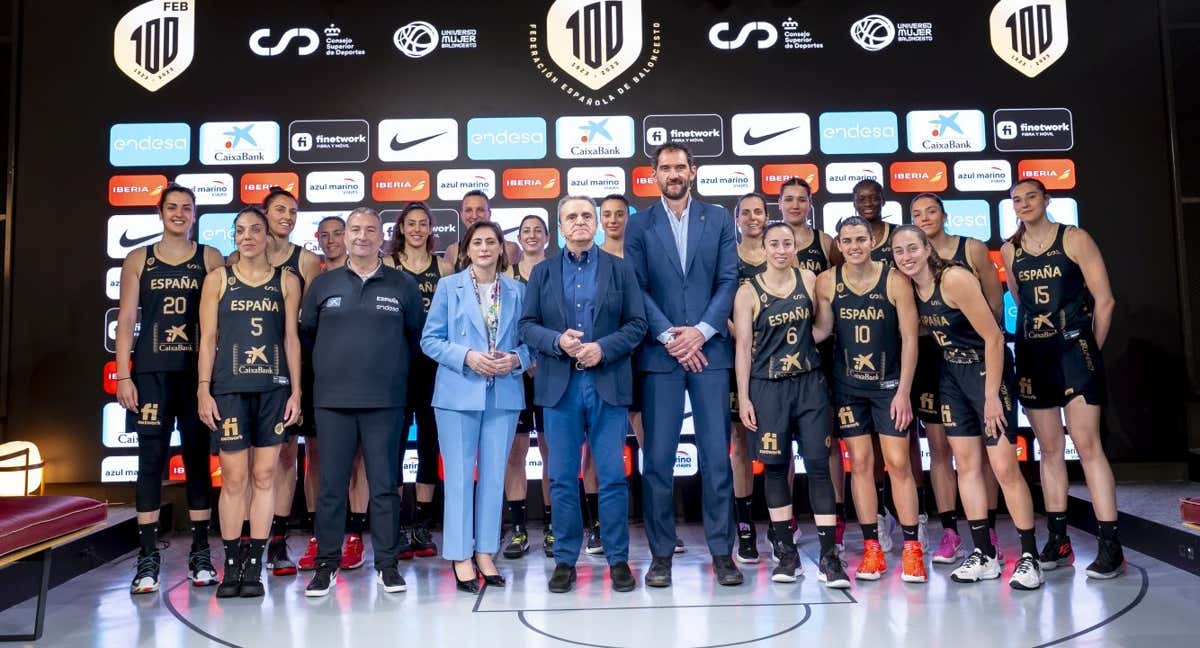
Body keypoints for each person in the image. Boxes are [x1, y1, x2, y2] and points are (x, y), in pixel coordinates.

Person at [892, 225, 1044, 590]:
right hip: (952, 375)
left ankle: (1029, 557)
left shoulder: (955, 279)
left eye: (913, 248)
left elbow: (993, 336)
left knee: (1005, 467)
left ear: (928, 248)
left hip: (985, 370)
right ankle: (984, 554)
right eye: (899, 251)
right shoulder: (911, 287)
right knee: (966, 466)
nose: (907, 256)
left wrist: (992, 395)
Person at [624, 142, 742, 587]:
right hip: (661, 354)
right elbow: (636, 286)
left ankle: (721, 553)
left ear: (692, 171)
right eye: (664, 168)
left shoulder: (718, 219)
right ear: (654, 174)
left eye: (680, 167)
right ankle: (660, 555)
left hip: (709, 352)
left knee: (716, 456)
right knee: (657, 459)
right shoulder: (639, 225)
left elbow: (728, 278)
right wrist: (673, 336)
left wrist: (703, 331)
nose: (673, 174)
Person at [518, 195, 647, 593]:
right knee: (561, 478)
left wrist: (602, 348)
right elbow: (526, 325)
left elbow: (637, 323)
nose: (580, 222)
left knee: (611, 477)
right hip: (560, 386)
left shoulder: (620, 269)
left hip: (606, 382)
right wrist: (558, 341)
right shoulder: (542, 272)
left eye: (586, 216)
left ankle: (617, 558)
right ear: (560, 225)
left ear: (596, 224)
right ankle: (565, 560)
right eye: (571, 217)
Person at [1000, 179, 1123, 579]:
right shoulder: (1009, 249)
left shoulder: (1074, 238)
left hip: (1074, 351)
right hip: (1035, 355)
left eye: (1031, 197)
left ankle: (1110, 545)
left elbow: (1104, 300)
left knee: (1088, 446)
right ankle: (1059, 540)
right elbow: (1020, 301)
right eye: (1017, 200)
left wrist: (1090, 350)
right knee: (1049, 451)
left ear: (1046, 200)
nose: (1024, 204)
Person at [301, 208, 425, 597]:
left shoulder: (403, 285)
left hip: (386, 403)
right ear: (344, 237)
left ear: (382, 237)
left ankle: (387, 566)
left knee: (386, 487)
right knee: (331, 488)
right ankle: (327, 565)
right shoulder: (323, 285)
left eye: (370, 230)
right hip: (332, 402)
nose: (361, 236)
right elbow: (307, 337)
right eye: (355, 230)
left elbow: (416, 339)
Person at [116, 184, 225, 594]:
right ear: (160, 212)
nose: (179, 213)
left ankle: (200, 552)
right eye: (172, 207)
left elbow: (218, 322)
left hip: (196, 374)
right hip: (150, 374)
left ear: (194, 214)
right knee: (150, 460)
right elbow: (126, 320)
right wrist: (124, 375)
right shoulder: (138, 258)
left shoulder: (209, 257)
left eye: (186, 208)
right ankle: (148, 558)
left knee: (198, 459)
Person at [733, 222, 849, 588]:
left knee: (818, 467)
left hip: (809, 385)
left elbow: (821, 329)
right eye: (774, 244)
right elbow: (742, 348)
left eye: (787, 243)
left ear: (795, 246)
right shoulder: (747, 291)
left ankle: (829, 557)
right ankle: (786, 553)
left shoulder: (810, 280)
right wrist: (745, 397)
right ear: (763, 248)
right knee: (774, 468)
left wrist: (801, 344)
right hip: (768, 388)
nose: (781, 249)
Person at [196, 206, 302, 598]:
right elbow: (207, 339)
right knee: (234, 479)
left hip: (273, 389)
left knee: (264, 477)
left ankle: (254, 563)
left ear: (267, 235)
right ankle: (231, 564)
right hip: (229, 389)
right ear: (234, 236)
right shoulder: (217, 279)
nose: (248, 237)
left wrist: (297, 390)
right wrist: (203, 388)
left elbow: (291, 338)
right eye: (240, 231)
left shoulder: (286, 281)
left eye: (255, 230)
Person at [814, 216, 926, 583]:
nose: (854, 246)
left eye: (861, 239)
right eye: (847, 240)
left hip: (889, 387)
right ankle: (872, 549)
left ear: (872, 241)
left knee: (898, 463)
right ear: (840, 245)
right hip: (848, 388)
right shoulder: (827, 281)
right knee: (860, 465)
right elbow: (823, 331)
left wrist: (904, 392)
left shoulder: (894, 279)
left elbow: (910, 339)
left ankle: (912, 549)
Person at [421, 221, 531, 593]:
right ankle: (460, 555)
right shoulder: (448, 287)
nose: (484, 247)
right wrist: (467, 355)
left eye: (492, 242)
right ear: (466, 250)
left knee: (495, 476)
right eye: (477, 242)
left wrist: (515, 359)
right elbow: (430, 340)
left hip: (503, 392)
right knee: (459, 477)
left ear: (502, 249)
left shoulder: (517, 290)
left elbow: (531, 341)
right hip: (457, 394)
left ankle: (485, 551)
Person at [229, 187, 322, 576]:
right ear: (262, 216)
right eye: (280, 209)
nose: (287, 216)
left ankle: (277, 542)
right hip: (246, 374)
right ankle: (248, 542)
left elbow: (310, 322)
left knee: (286, 455)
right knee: (246, 462)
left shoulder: (308, 262)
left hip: (296, 370)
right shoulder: (236, 261)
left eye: (293, 211)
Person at [910, 194, 1005, 564]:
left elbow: (995, 306)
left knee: (986, 450)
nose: (925, 217)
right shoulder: (910, 259)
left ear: (944, 214)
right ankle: (950, 532)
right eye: (917, 214)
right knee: (940, 449)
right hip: (935, 361)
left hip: (978, 356)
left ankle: (989, 529)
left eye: (930, 210)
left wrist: (976, 343)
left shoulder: (973, 249)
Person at [298, 216, 372, 572]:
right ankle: (321, 536)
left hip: (362, 384)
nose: (331, 240)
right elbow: (306, 331)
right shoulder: (314, 274)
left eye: (337, 233)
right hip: (319, 383)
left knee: (358, 459)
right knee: (317, 460)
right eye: (323, 235)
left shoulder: (373, 275)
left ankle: (355, 535)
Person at [778, 177, 848, 550]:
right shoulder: (769, 243)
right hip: (777, 355)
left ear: (810, 204)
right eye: (788, 199)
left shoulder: (825, 243)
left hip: (820, 351)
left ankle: (834, 519)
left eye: (801, 200)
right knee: (782, 443)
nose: (794, 205)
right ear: (780, 203)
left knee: (829, 441)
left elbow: (841, 284)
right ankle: (785, 522)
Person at [383, 202, 453, 560]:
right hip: (395, 365)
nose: (416, 229)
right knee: (393, 445)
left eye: (423, 223)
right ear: (401, 228)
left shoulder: (444, 265)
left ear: (430, 229)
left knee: (429, 443)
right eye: (410, 223)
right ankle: (395, 524)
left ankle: (423, 525)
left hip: (434, 367)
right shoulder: (388, 266)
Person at [502, 215, 554, 559]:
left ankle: (553, 527)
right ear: (518, 239)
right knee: (515, 454)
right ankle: (518, 530)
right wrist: (524, 359)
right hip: (516, 375)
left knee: (554, 452)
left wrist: (541, 356)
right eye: (526, 231)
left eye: (538, 230)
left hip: (551, 372)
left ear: (548, 238)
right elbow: (503, 328)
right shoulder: (506, 278)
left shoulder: (559, 272)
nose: (532, 235)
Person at [729, 192, 768, 564]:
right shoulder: (727, 257)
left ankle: (780, 524)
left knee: (779, 443)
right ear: (736, 218)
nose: (753, 217)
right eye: (747, 212)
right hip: (734, 359)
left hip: (777, 363)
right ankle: (744, 527)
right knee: (740, 444)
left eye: (759, 211)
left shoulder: (780, 252)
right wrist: (742, 335)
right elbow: (718, 301)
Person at [444, 190, 522, 271]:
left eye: (480, 210)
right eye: (469, 210)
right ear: (462, 215)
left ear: (489, 213)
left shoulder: (510, 249)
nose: (474, 216)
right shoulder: (453, 251)